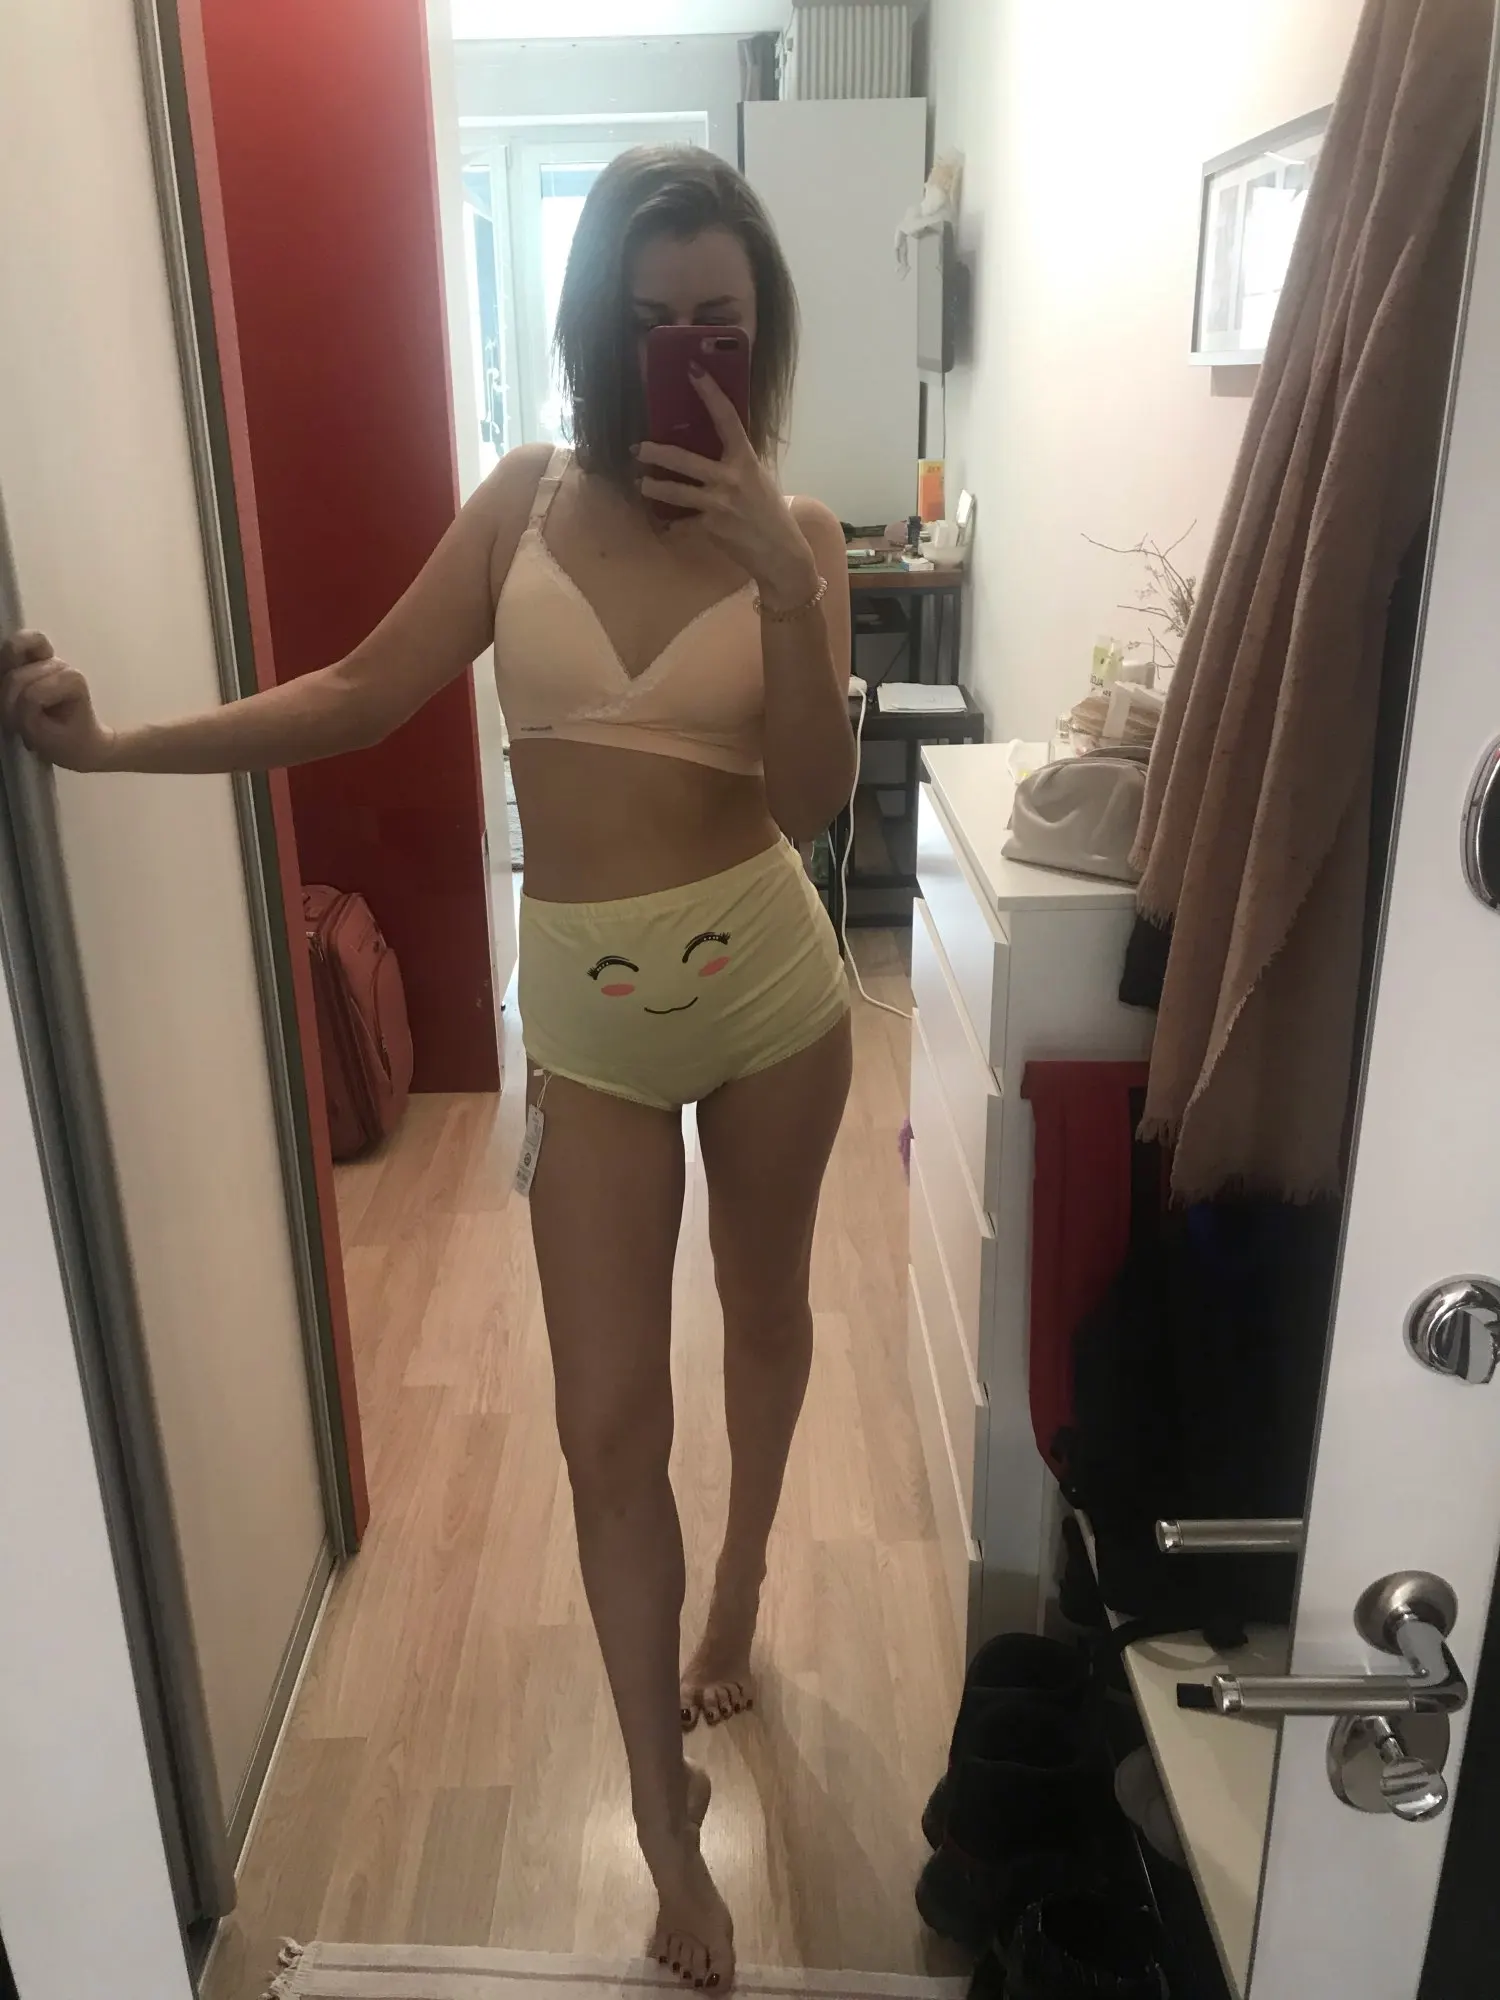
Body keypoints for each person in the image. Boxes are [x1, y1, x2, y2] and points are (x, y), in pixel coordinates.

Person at [0, 147, 856, 1991]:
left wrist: (785, 589)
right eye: (651, 321)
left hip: (772, 996)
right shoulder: (522, 502)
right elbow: (355, 694)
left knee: (768, 1311)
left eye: (719, 321)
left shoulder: (802, 540)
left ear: (761, 331)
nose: (686, 352)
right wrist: (110, 747)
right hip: (595, 1027)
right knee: (603, 1425)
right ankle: (660, 1819)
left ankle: (742, 1583)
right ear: (594, 330)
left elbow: (807, 801)